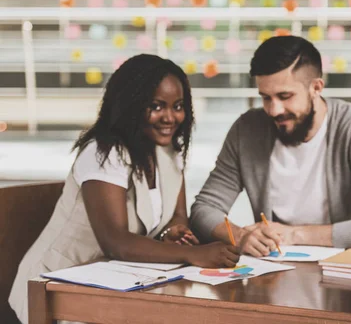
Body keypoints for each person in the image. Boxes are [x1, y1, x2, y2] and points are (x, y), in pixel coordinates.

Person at [9, 54, 239, 323]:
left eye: (178, 106)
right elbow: (115, 241)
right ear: (130, 105)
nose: (170, 117)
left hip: (118, 284)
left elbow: (178, 216)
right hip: (56, 288)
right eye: (156, 106)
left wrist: (175, 231)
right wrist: (194, 254)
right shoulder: (104, 154)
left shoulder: (169, 151)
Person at [190, 36, 351, 257]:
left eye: (285, 96)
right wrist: (239, 236)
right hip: (272, 272)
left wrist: (294, 235)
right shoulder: (247, 130)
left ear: (316, 87)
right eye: (266, 98)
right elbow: (204, 209)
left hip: (346, 274)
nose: (274, 110)